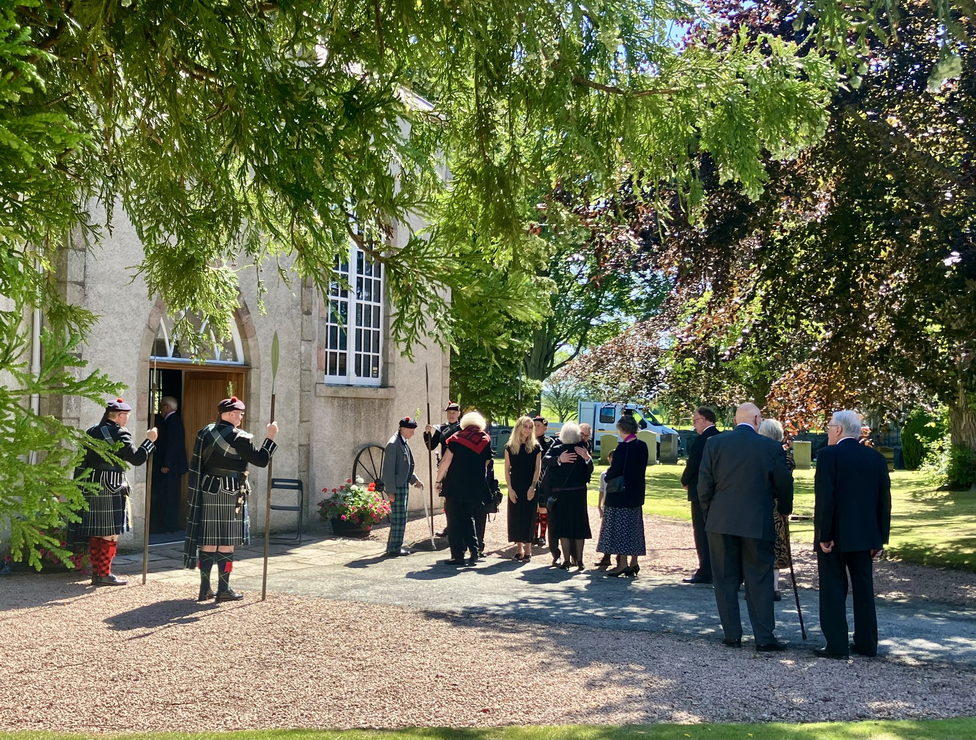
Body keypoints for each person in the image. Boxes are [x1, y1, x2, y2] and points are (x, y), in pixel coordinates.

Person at [698, 402, 794, 651]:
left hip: (720, 520)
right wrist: (784, 508)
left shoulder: (715, 444)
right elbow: (784, 483)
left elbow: (704, 485)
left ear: (734, 420)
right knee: (759, 578)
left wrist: (710, 514)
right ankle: (764, 637)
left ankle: (732, 634)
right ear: (758, 419)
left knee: (725, 578)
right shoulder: (771, 447)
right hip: (757, 520)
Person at [813, 410, 892, 660]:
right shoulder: (875, 458)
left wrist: (823, 534)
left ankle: (837, 644)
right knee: (864, 589)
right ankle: (867, 643)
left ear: (838, 430)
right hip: (865, 536)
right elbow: (883, 502)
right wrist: (880, 538)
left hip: (835, 535)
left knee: (833, 588)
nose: (827, 431)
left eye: (829, 426)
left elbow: (826, 498)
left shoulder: (829, 455)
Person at [183, 396, 278, 601]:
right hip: (231, 491)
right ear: (231, 414)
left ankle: (205, 588)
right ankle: (224, 589)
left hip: (207, 490)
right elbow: (261, 460)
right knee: (226, 541)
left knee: (208, 540)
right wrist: (270, 438)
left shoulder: (205, 433)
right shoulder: (239, 437)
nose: (241, 418)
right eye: (240, 414)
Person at [70, 398, 158, 586]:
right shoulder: (120, 433)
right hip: (112, 485)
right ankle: (105, 573)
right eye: (126, 415)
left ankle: (97, 573)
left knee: (96, 532)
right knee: (111, 533)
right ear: (119, 416)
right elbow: (136, 459)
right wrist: (149, 441)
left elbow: (81, 461)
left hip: (92, 483)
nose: (127, 419)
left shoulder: (92, 431)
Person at [435, 411, 493, 565]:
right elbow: (487, 462)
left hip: (456, 484)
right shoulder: (485, 439)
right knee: (469, 518)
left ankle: (457, 556)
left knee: (453, 520)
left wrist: (438, 480)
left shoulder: (456, 438)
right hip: (475, 485)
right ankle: (474, 551)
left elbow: (446, 460)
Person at [596, 414, 649, 577]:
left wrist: (609, 475)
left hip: (620, 494)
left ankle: (622, 564)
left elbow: (614, 470)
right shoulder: (642, 446)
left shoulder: (622, 448)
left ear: (622, 429)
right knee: (633, 528)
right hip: (636, 493)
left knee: (620, 529)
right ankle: (634, 562)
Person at [542, 422, 594, 572]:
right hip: (578, 492)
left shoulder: (559, 448)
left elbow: (545, 460)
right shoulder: (582, 449)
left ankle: (565, 560)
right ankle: (579, 560)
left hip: (562, 492)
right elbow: (588, 471)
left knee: (563, 527)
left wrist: (559, 459)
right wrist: (586, 458)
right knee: (579, 526)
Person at [680, 406, 720, 584]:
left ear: (705, 419)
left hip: (699, 491)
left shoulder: (702, 440)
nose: (694, 424)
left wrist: (685, 480)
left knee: (701, 532)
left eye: (695, 420)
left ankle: (705, 570)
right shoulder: (721, 438)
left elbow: (694, 464)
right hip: (717, 492)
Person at [758, 418, 797, 602]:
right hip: (777, 507)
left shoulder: (760, 455)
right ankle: (774, 587)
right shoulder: (785, 456)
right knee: (775, 547)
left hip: (762, 505)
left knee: (761, 547)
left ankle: (762, 586)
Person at [382, 417, 425, 557]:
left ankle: (394, 545)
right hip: (396, 486)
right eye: (411, 430)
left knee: (401, 518)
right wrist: (390, 491)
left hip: (402, 484)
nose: (413, 433)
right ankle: (394, 548)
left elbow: (405, 466)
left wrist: (414, 480)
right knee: (399, 519)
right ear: (403, 429)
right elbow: (388, 470)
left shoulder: (402, 442)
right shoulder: (393, 444)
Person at [504, 416, 541, 561]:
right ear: (519, 427)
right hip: (515, 484)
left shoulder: (536, 447)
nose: (527, 430)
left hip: (530, 484)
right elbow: (507, 469)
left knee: (529, 516)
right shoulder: (510, 446)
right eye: (525, 426)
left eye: (530, 427)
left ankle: (528, 550)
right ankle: (518, 549)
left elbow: (538, 468)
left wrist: (533, 486)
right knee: (515, 516)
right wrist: (510, 488)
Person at [152, 396, 188, 533]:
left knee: (170, 495)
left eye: (161, 406)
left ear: (167, 407)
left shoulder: (173, 421)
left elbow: (173, 444)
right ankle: (167, 523)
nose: (160, 409)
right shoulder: (171, 421)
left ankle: (170, 524)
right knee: (166, 494)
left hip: (172, 466)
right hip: (172, 465)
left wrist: (167, 463)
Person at [425, 401, 461, 537]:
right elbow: (431, 446)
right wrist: (427, 433)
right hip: (446, 467)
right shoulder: (441, 428)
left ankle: (458, 527)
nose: (451, 415)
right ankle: (449, 526)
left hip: (459, 466)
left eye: (454, 413)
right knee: (447, 497)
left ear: (458, 413)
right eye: (449, 413)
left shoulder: (462, 428)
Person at [533, 415, 555, 551]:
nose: (535, 428)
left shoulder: (549, 442)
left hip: (544, 478)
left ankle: (542, 535)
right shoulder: (528, 440)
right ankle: (533, 534)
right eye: (534, 425)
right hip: (531, 478)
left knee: (543, 508)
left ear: (545, 428)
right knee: (533, 508)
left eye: (538, 426)